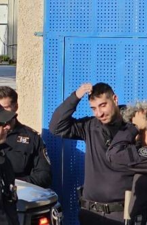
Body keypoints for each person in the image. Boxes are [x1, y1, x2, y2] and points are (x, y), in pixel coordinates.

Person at [49, 82, 131, 225]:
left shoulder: (133, 127)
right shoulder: (90, 126)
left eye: (103, 105)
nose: (99, 113)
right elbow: (56, 127)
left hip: (122, 215)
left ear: (115, 99)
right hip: (90, 214)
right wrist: (76, 96)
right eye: (94, 108)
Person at [0, 87, 52, 188]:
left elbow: (44, 177)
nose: (0, 112)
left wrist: (13, 183)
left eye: (5, 108)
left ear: (16, 107)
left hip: (20, 193)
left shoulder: (31, 138)